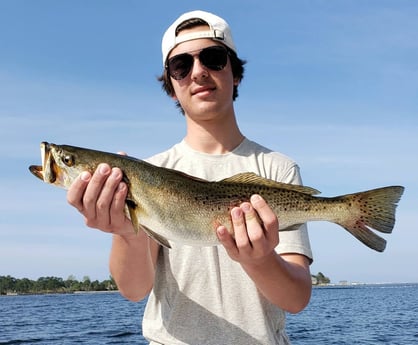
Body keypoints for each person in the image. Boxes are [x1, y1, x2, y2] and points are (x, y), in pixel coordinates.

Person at [67, 10, 313, 345]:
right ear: (170, 85)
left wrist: (260, 261)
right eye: (181, 65)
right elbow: (135, 289)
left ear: (235, 72)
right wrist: (127, 233)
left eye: (213, 58)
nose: (198, 72)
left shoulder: (278, 168)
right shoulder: (146, 171)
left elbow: (297, 298)